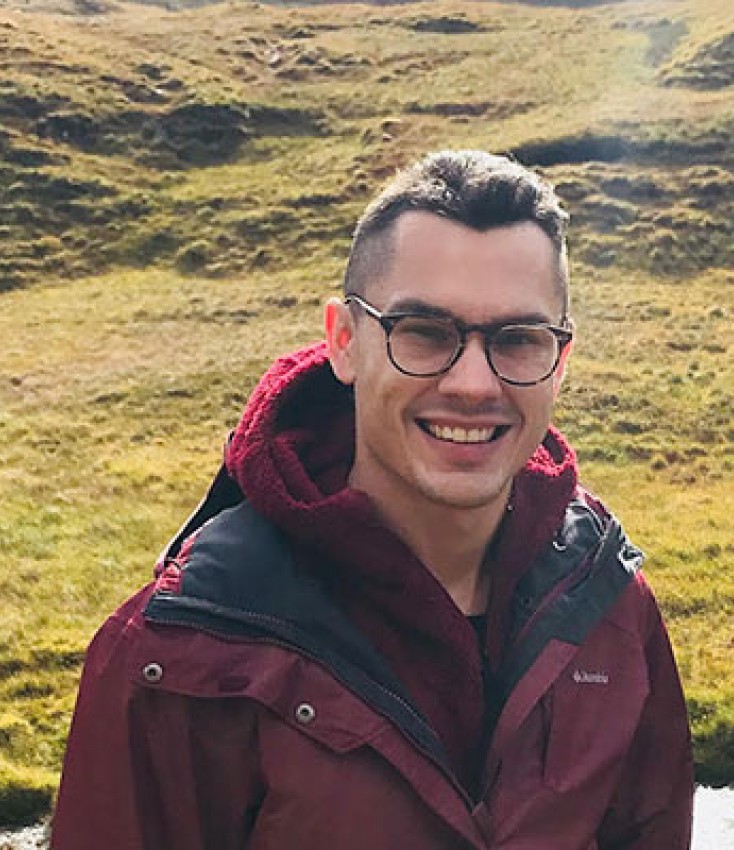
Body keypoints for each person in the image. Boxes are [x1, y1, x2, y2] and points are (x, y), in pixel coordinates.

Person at [52, 150, 693, 849]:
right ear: (344, 341)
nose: (474, 384)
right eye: (424, 332)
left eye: (518, 340)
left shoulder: (608, 605)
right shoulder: (180, 653)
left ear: (560, 361)